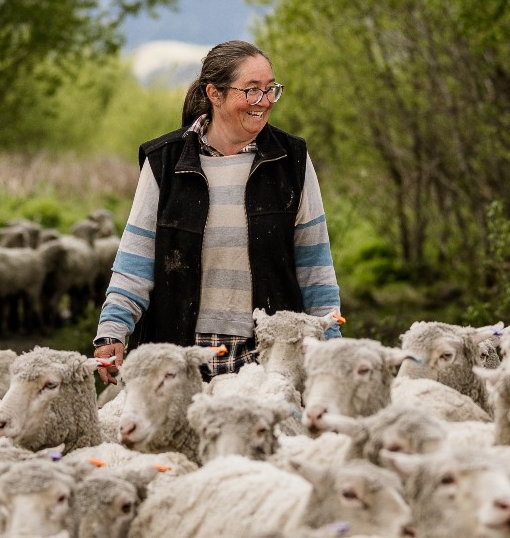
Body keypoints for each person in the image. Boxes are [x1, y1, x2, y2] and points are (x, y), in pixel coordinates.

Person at [92, 40, 340, 382]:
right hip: (181, 354)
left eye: (271, 90)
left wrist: (330, 343)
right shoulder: (165, 161)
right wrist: (112, 332)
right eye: (251, 91)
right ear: (215, 93)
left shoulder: (291, 160)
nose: (264, 102)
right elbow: (136, 261)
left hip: (270, 356)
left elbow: (315, 266)